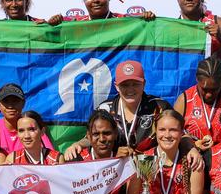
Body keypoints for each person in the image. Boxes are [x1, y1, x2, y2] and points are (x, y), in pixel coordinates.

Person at [64, 60, 203, 170]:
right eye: (125, 85)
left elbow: (178, 132)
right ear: (116, 86)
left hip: (151, 170)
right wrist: (77, 145)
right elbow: (93, 136)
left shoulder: (158, 107)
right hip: (115, 170)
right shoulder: (105, 108)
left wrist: (191, 149)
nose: (130, 90)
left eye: (135, 84)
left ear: (144, 84)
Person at [122, 110, 204, 194]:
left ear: (181, 133)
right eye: (162, 129)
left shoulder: (193, 163)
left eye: (173, 130)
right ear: (155, 131)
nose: (167, 135)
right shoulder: (142, 160)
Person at [0, 84, 54, 155]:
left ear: (23, 103)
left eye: (15, 101)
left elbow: (50, 156)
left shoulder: (33, 126)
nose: (10, 106)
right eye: (6, 101)